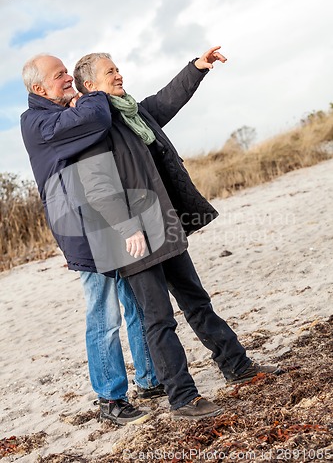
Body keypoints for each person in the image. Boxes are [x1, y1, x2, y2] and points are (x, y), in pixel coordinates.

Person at [71, 47, 283, 418]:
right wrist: (127, 226)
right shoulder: (92, 126)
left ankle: (237, 365)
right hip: (130, 238)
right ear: (90, 85)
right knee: (159, 318)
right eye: (110, 72)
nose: (119, 75)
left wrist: (197, 68)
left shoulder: (132, 113)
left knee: (196, 300)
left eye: (118, 68)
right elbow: (98, 186)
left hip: (162, 224)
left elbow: (166, 100)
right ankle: (183, 398)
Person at [20, 54, 165, 427]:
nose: (68, 78)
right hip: (83, 234)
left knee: (133, 305)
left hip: (109, 222)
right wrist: (91, 93)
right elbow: (97, 118)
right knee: (104, 314)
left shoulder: (62, 110)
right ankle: (111, 399)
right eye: (60, 75)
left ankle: (149, 380)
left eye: (68, 72)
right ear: (39, 89)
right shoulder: (36, 122)